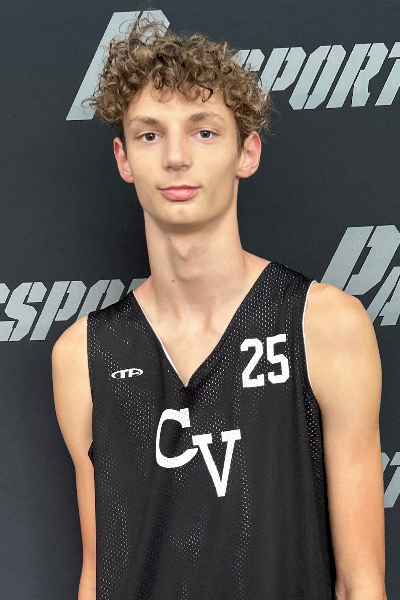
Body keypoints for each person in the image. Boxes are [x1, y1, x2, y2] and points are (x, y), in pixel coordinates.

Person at [51, 15, 386, 600]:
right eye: (150, 135)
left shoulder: (325, 324)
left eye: (204, 132)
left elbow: (361, 583)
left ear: (246, 152)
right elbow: (99, 573)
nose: (176, 157)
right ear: (124, 159)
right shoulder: (82, 354)